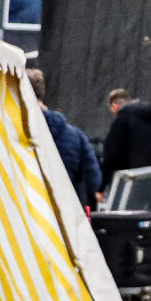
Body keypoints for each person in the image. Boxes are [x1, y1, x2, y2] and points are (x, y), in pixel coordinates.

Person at [27, 69, 102, 209]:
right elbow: (94, 180)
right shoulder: (75, 135)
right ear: (41, 94)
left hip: (28, 214)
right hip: (67, 214)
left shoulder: (10, 132)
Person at [98, 89, 151, 189]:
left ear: (114, 105)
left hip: (131, 181)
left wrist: (101, 185)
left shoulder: (123, 120)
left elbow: (111, 154)